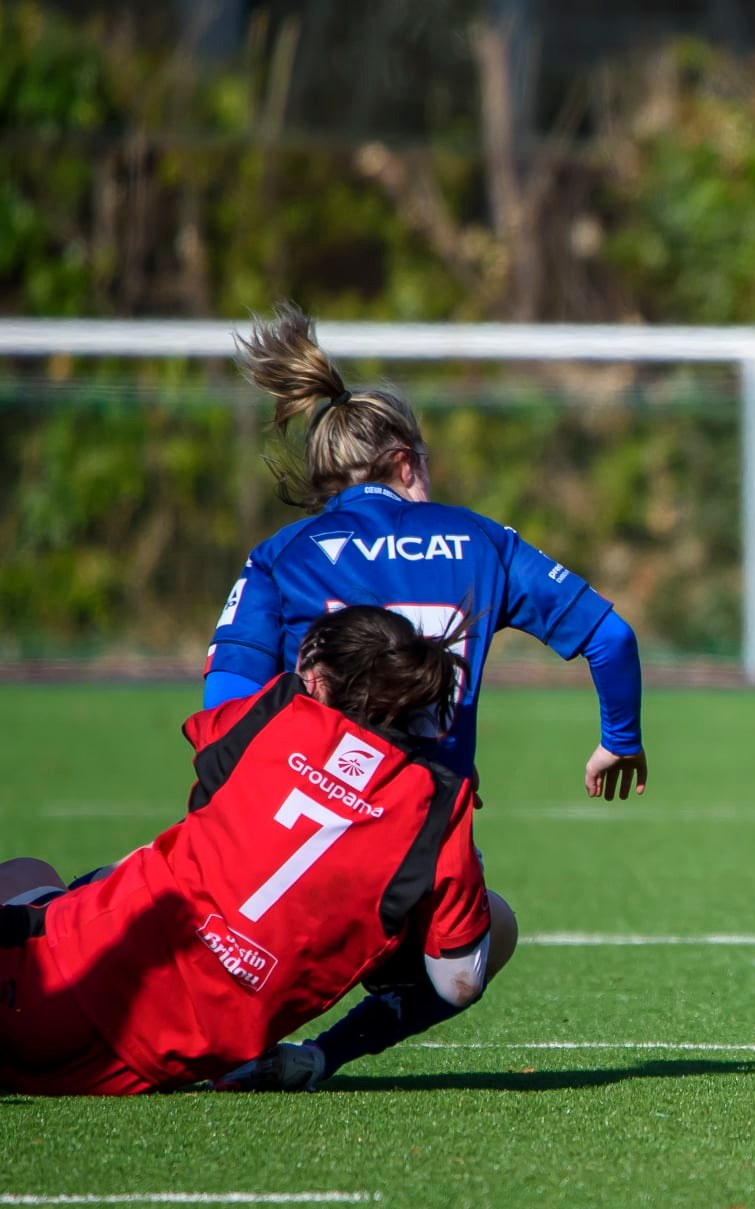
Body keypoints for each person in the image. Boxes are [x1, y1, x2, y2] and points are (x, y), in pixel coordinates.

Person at [199, 305, 648, 1090]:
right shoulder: (479, 540)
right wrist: (620, 737)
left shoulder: (279, 555)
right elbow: (611, 637)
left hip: (283, 861)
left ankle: (237, 1026)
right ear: (405, 462)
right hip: (416, 856)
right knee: (481, 948)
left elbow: (223, 719)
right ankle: (322, 1056)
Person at [1, 606, 491, 1096]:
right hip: (144, 1065)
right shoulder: (441, 803)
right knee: (494, 926)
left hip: (47, 985)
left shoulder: (281, 710)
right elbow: (459, 981)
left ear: (318, 678)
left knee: (27, 873)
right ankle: (314, 1059)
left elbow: (210, 762)